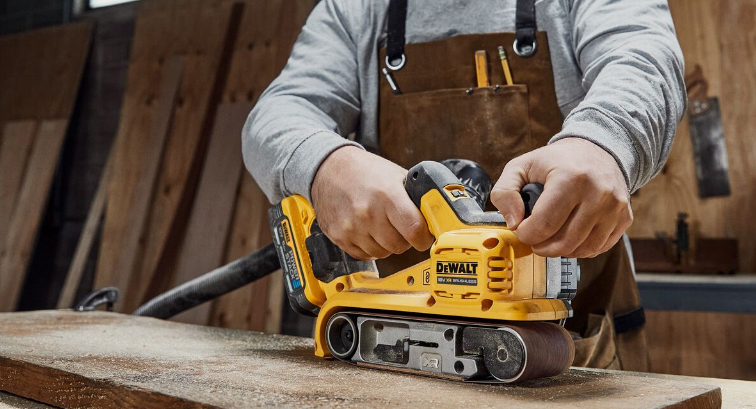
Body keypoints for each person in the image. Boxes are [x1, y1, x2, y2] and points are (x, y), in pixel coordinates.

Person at [242, 0, 686, 370]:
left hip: (576, 350)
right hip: (399, 348)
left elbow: (644, 59)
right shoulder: (356, 8)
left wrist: (601, 144)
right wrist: (325, 166)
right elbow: (280, 111)